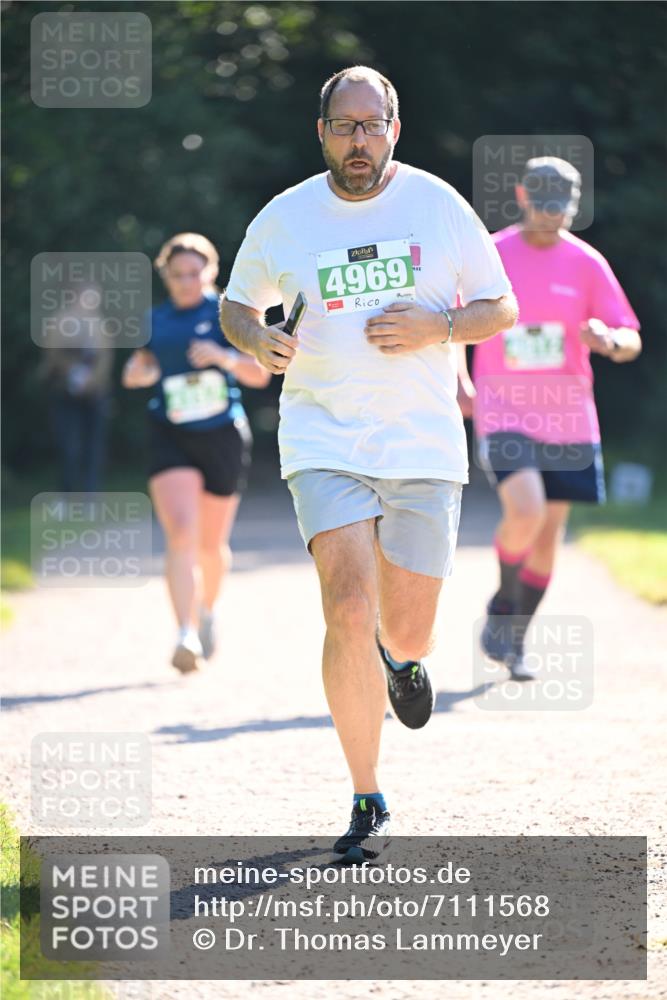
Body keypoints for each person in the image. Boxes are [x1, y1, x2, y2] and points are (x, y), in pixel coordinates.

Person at [219, 66, 517, 860]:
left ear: (395, 128)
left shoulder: (438, 204)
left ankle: (404, 662)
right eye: (343, 126)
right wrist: (257, 339)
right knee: (347, 606)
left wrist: (440, 325)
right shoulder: (285, 216)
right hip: (322, 436)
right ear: (320, 132)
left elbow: (501, 306)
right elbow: (234, 303)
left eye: (371, 125)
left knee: (405, 626)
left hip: (420, 442)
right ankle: (364, 791)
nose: (358, 140)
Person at [460, 157, 641, 680]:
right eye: (543, 206)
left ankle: (512, 636)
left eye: (561, 209)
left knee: (548, 533)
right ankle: (502, 602)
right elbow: (450, 321)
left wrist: (610, 341)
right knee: (527, 510)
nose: (551, 218)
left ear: (573, 206)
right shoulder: (489, 256)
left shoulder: (586, 262)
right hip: (503, 409)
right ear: (521, 197)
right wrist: (458, 382)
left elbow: (630, 334)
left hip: (568, 417)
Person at [122, 233, 270, 674]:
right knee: (181, 532)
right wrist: (137, 371)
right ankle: (184, 633)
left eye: (195, 273)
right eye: (177, 274)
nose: (186, 281)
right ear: (165, 275)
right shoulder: (155, 319)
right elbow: (139, 368)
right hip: (171, 432)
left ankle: (207, 611)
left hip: (222, 434)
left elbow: (260, 376)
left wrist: (222, 358)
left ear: (211, 272)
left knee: (210, 544)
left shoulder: (229, 315)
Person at [41, 283, 113, 498]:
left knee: (94, 447)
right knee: (68, 446)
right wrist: (72, 372)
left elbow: (105, 358)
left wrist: (92, 380)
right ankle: (66, 495)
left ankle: (90, 495)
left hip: (96, 394)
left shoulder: (101, 324)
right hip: (64, 392)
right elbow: (52, 355)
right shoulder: (59, 322)